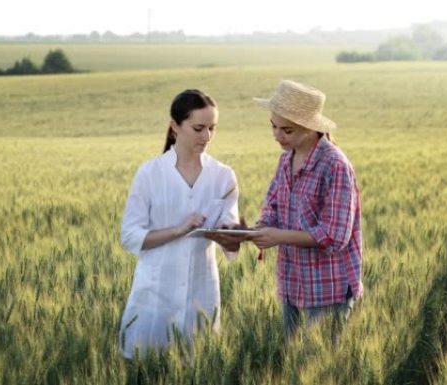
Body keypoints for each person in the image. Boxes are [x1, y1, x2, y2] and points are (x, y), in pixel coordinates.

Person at [119, 89, 240, 359]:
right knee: (146, 366)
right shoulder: (150, 174)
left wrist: (232, 235)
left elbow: (230, 228)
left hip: (202, 293)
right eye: (198, 128)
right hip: (155, 292)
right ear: (175, 127)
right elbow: (130, 236)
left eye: (212, 128)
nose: (206, 136)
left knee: (198, 366)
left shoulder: (223, 176)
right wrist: (179, 229)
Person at [250, 80, 363, 344]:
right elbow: (272, 206)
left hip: (327, 288)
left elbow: (334, 236)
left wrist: (277, 236)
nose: (277, 135)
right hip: (292, 283)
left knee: (320, 367)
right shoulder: (285, 159)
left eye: (286, 130)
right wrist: (251, 231)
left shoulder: (334, 165)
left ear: (311, 128)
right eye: (273, 126)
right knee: (294, 364)